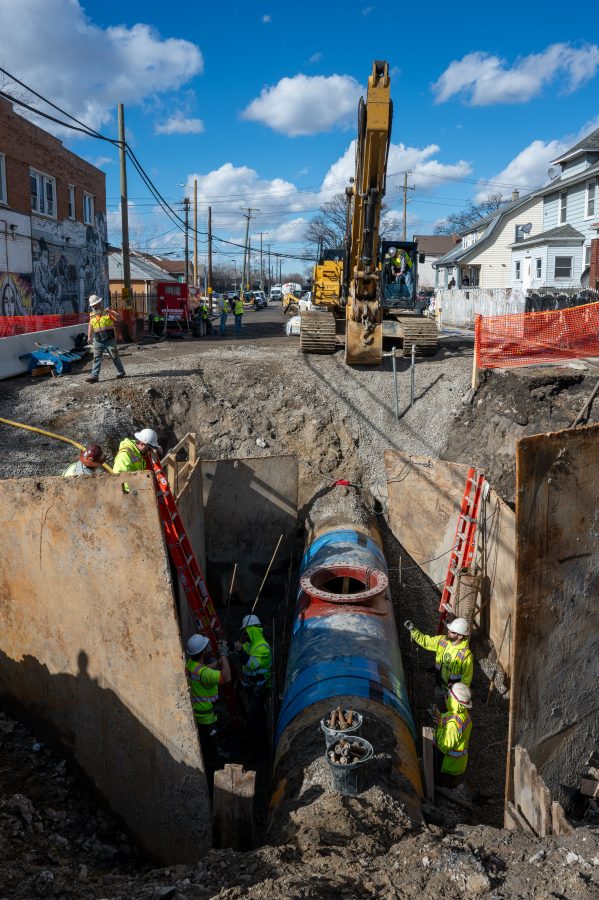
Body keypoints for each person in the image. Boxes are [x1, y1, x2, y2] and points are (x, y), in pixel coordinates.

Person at [185, 633, 231, 778]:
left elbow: (203, 669)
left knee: (207, 746)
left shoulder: (190, 665)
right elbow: (226, 677)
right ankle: (215, 775)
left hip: (198, 717)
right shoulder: (205, 674)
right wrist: (224, 656)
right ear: (203, 652)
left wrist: (217, 663)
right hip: (208, 719)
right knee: (213, 751)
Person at [404, 617, 473, 707]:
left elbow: (466, 680)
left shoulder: (466, 656)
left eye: (452, 632)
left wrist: (458, 696)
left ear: (460, 636)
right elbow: (426, 641)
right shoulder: (442, 640)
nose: (448, 632)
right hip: (439, 681)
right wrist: (413, 630)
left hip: (453, 691)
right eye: (449, 629)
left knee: (449, 708)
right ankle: (438, 710)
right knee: (439, 700)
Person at [235, 614, 272, 750]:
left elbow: (251, 664)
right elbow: (242, 649)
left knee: (254, 717)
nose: (245, 635)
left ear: (252, 630)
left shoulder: (262, 647)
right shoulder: (250, 645)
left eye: (246, 632)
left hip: (261, 687)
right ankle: (258, 740)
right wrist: (230, 646)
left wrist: (240, 651)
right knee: (258, 715)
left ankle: (258, 744)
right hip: (253, 687)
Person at [433, 681, 472, 788]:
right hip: (458, 763)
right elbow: (450, 718)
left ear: (454, 701)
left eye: (449, 696)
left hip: (449, 765)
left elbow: (444, 746)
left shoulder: (454, 724)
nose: (446, 697)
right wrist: (441, 719)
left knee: (444, 785)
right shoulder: (464, 713)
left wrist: (439, 728)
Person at [85, 295, 126, 383]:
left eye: (96, 305)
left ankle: (121, 371)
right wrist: (89, 336)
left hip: (109, 339)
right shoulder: (92, 315)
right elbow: (90, 325)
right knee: (96, 358)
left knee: (114, 356)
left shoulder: (108, 312)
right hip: (98, 339)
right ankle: (94, 376)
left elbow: (119, 318)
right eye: (93, 306)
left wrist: (111, 312)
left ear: (100, 303)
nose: (94, 307)